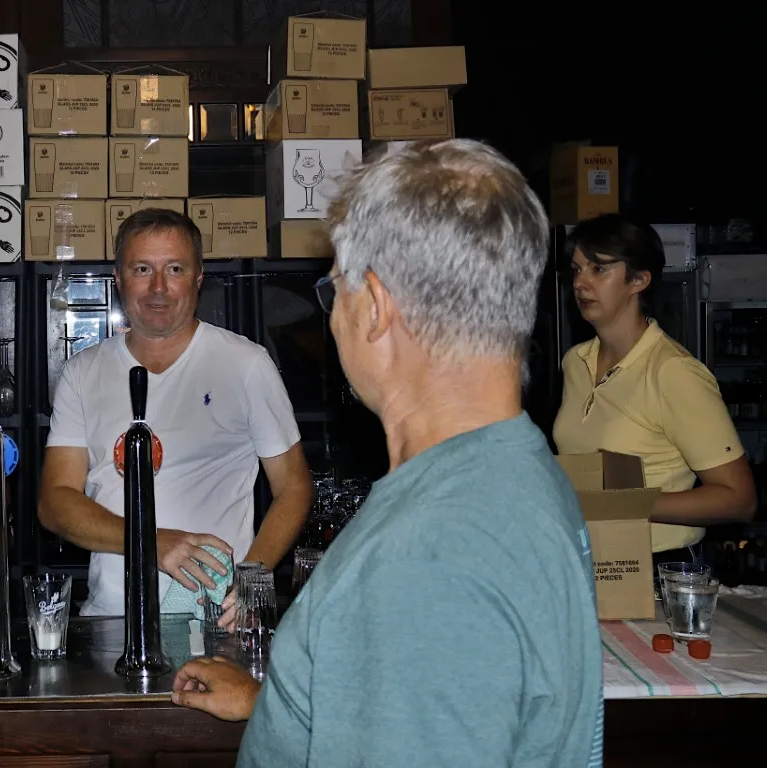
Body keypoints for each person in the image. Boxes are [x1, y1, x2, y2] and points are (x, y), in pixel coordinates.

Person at [170, 139, 605, 767]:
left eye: (334, 291)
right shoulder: (517, 474)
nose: (332, 317)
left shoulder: (426, 557)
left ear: (374, 307)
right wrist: (289, 702)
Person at [39, 208, 314, 617]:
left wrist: (249, 580)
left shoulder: (245, 365)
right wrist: (151, 542)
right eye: (142, 269)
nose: (158, 288)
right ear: (118, 278)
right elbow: (54, 503)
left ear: (198, 278)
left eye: (175, 269)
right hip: (110, 620)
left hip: (214, 618)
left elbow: (293, 488)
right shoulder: (82, 372)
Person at [553, 213, 756, 557]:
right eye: (576, 270)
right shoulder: (575, 362)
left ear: (639, 281)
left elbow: (739, 499)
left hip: (657, 573)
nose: (580, 283)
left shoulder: (672, 373)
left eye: (598, 269)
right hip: (587, 559)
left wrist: (626, 504)